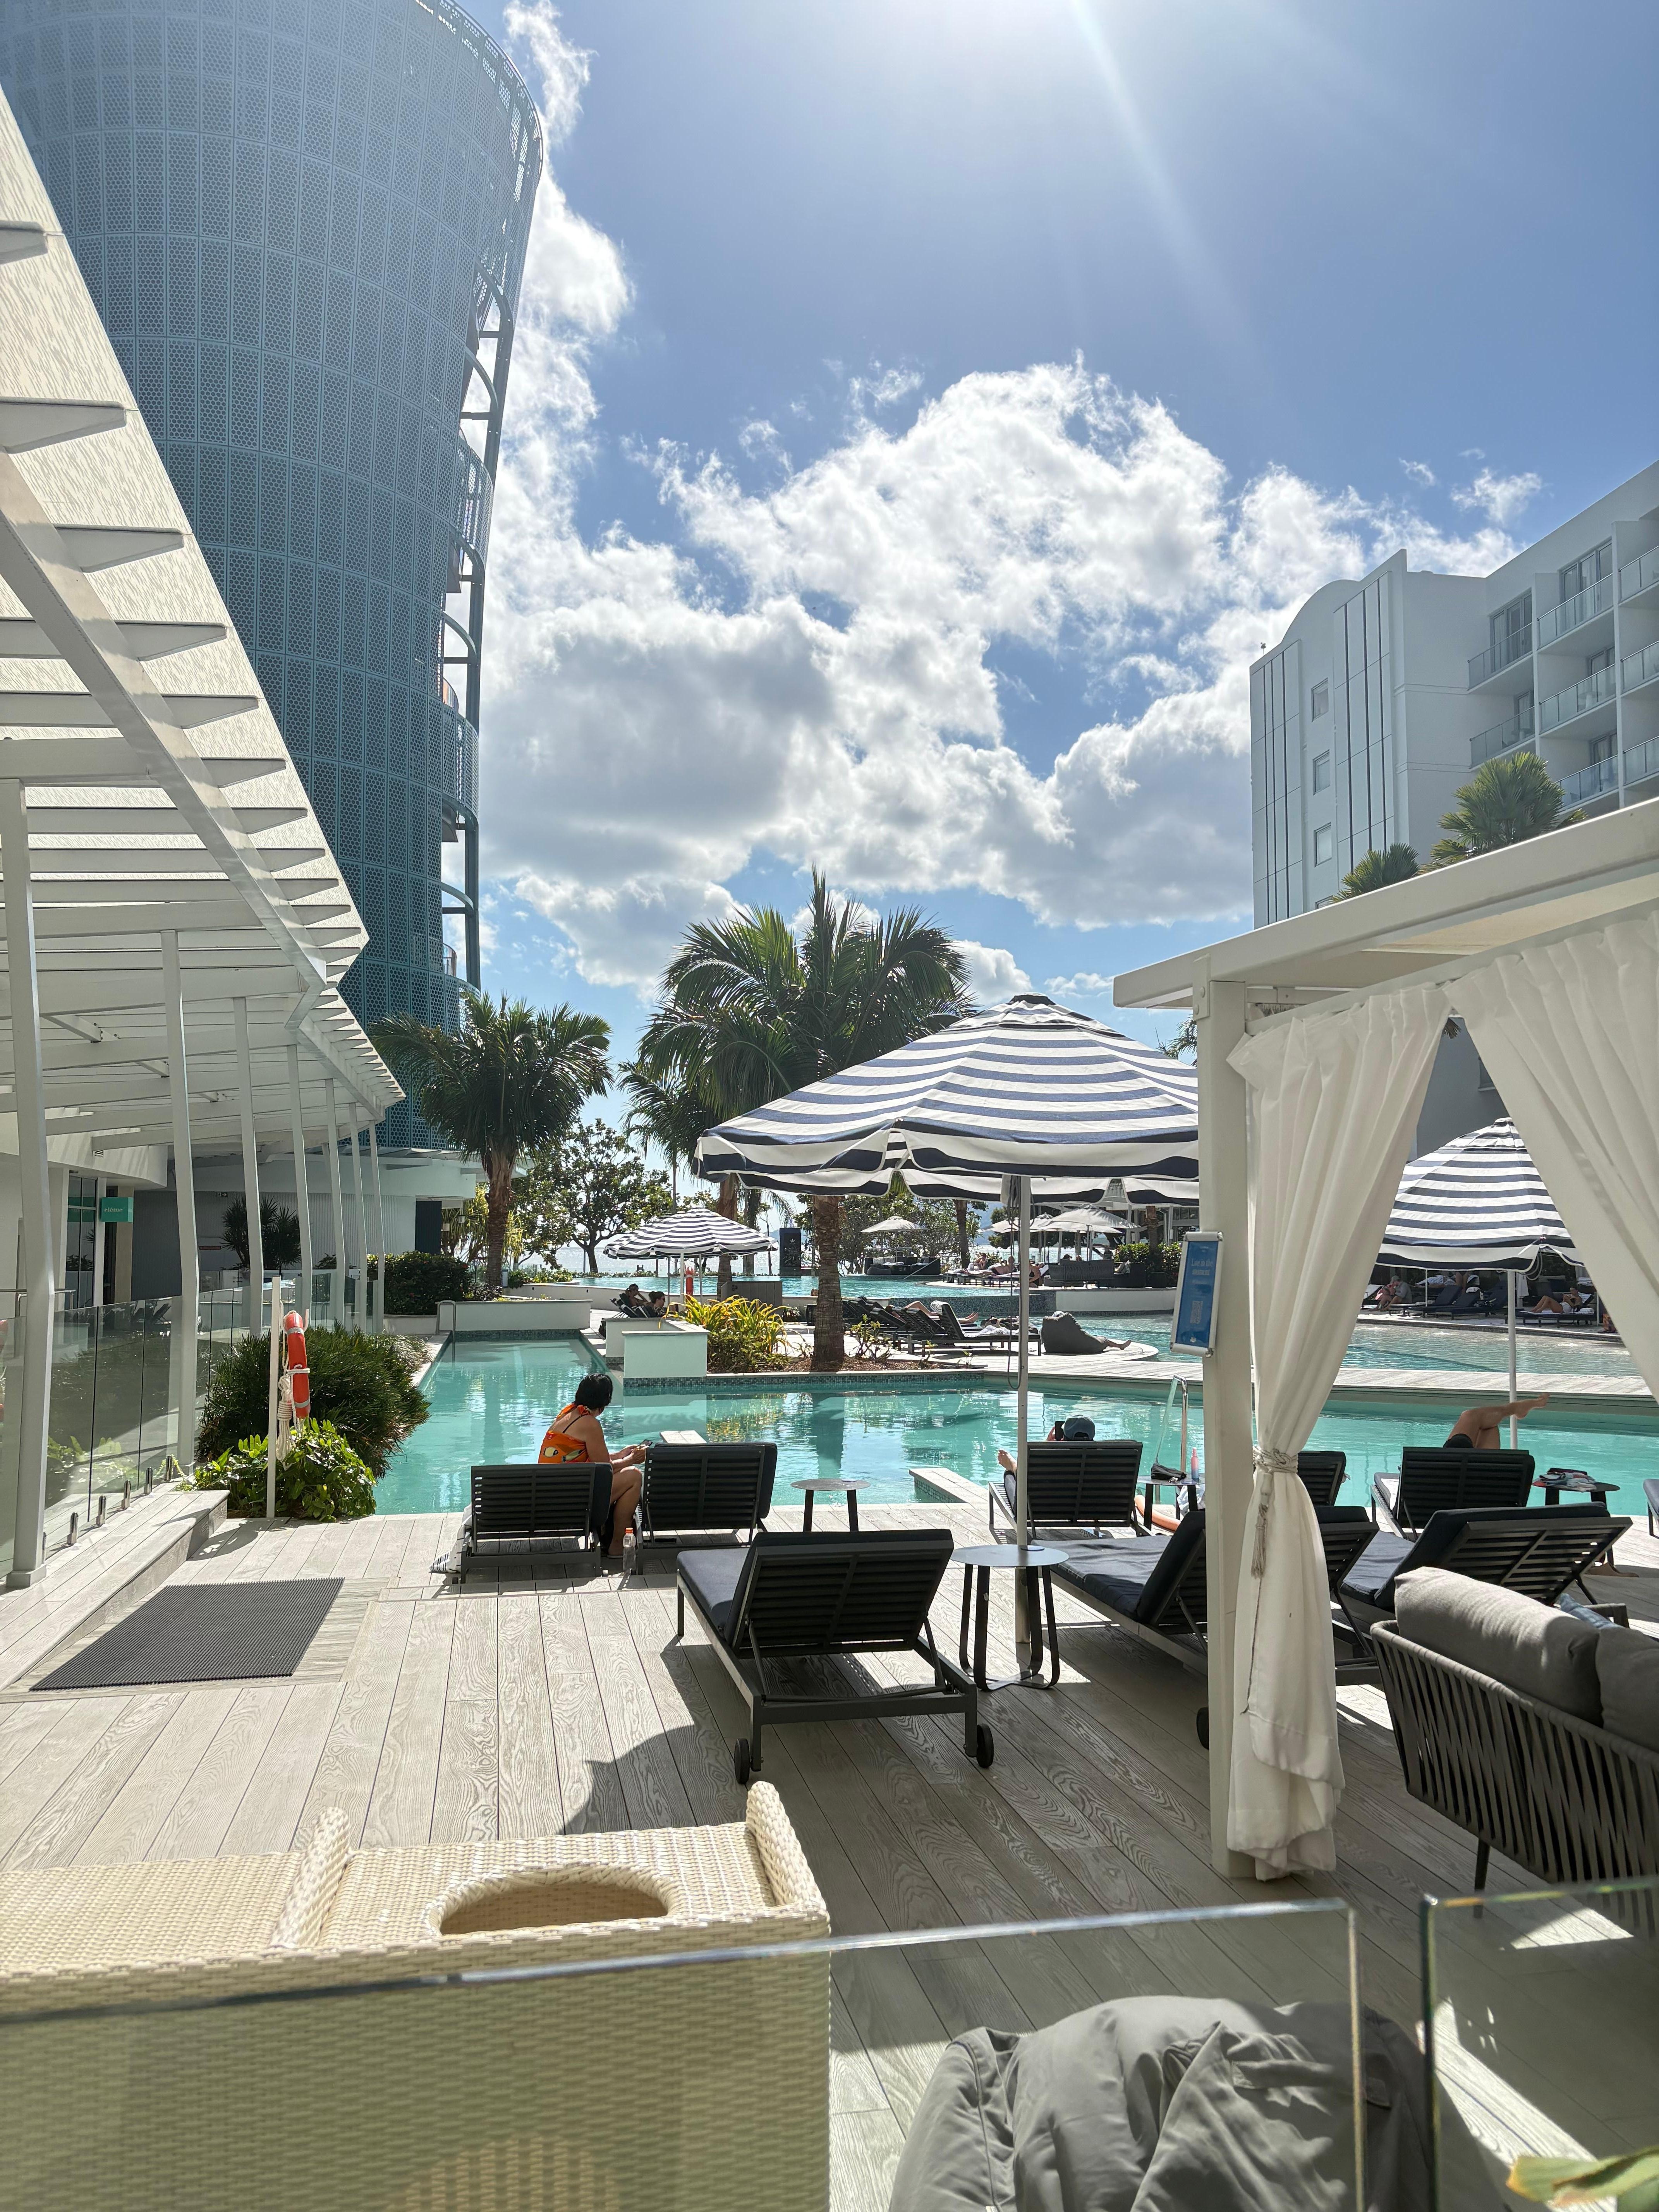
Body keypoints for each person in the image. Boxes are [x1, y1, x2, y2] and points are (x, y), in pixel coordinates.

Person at [539, 1372, 646, 1555]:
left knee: (625, 1472)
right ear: (606, 1400)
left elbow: (588, 1459)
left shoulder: (568, 1414)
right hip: (572, 1504)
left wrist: (621, 1455)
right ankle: (618, 1545)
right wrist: (631, 1460)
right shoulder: (589, 1423)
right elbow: (605, 1470)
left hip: (552, 1497)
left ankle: (609, 1537)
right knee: (634, 1476)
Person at [1443, 1393, 1549, 1451]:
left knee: (1488, 1425)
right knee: (1470, 1416)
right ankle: (1515, 1408)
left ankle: (1517, 1408)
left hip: (1475, 1479)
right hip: (1455, 1466)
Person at [999, 1413, 1094, 1472]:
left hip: (1045, 1499)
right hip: (1094, 1499)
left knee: (1009, 1473)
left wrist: (1011, 1463)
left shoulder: (1047, 1458)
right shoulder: (1101, 1458)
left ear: (1063, 1438)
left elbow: (1024, 1479)